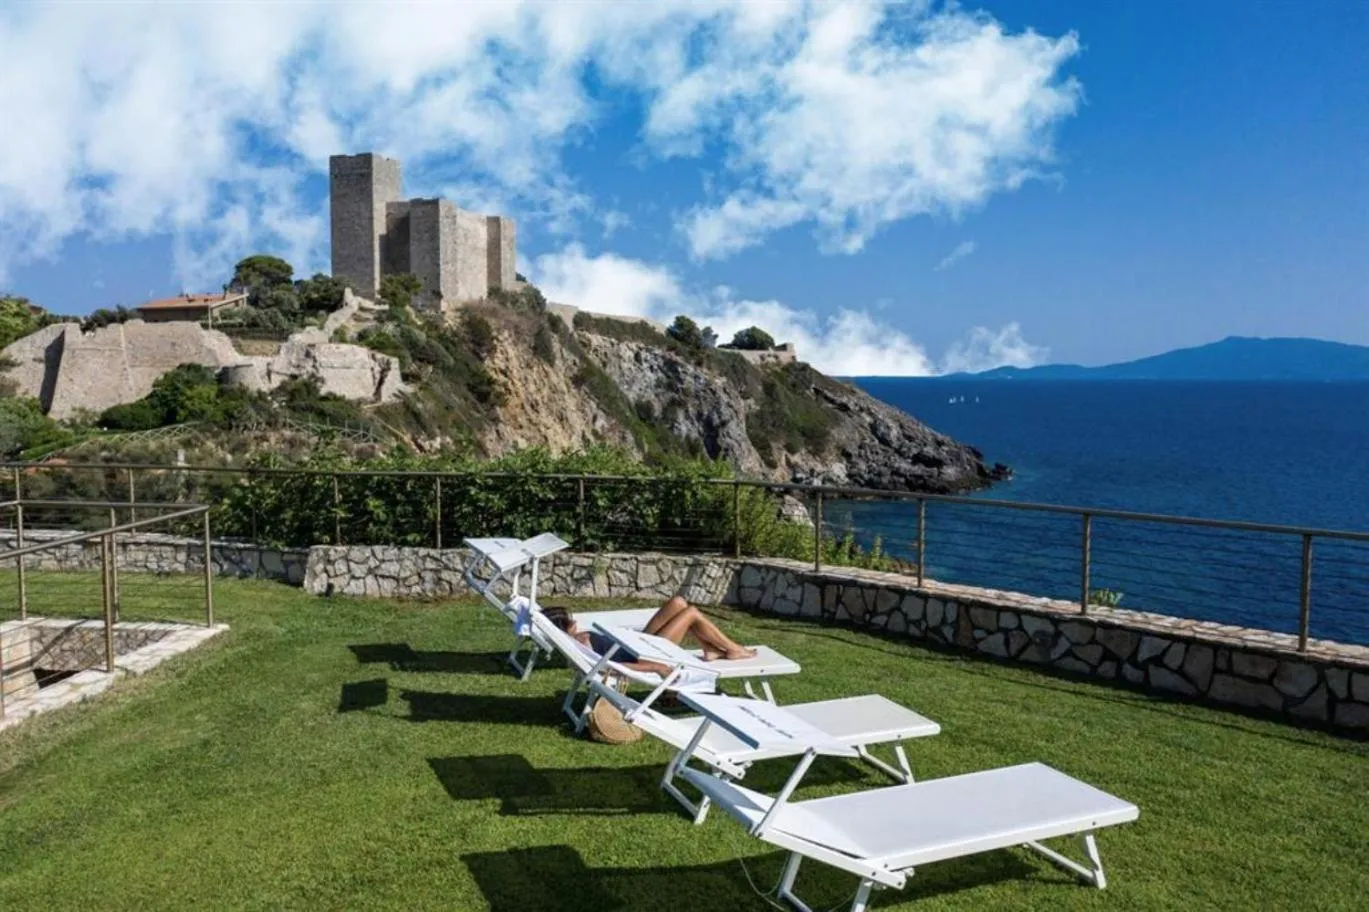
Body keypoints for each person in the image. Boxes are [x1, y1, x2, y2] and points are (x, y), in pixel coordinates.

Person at [542, 596, 757, 675]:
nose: (575, 622)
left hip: (638, 643)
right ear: (564, 627)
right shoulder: (582, 645)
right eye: (571, 621)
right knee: (691, 613)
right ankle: (733, 650)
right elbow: (609, 669)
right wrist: (657, 667)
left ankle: (710, 650)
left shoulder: (573, 640)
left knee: (678, 603)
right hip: (647, 654)